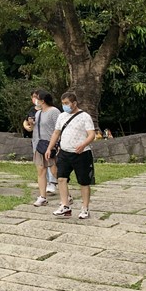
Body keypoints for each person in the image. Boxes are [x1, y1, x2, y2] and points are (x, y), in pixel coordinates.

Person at [44, 91, 96, 220]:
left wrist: (83, 144)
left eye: (67, 103)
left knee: (83, 182)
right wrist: (49, 148)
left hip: (81, 154)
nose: (65, 106)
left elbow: (91, 134)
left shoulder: (85, 116)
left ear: (74, 103)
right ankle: (65, 205)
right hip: (64, 152)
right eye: (63, 103)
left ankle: (85, 208)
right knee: (61, 178)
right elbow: (56, 133)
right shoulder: (62, 116)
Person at [31, 91, 61, 206]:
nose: (35, 100)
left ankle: (66, 193)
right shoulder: (38, 113)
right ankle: (42, 196)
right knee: (41, 170)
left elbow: (58, 128)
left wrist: (55, 144)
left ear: (43, 100)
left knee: (54, 170)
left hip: (50, 144)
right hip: (39, 145)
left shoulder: (54, 111)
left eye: (37, 98)